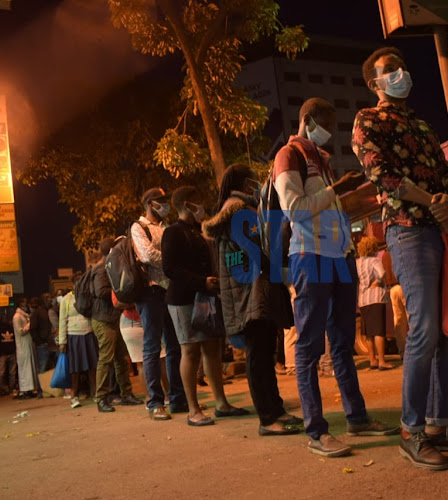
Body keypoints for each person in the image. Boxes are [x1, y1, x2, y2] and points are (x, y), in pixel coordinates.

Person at [353, 47, 448, 470]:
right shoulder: (368, 120)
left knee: (447, 329)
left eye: (402, 66)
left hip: (441, 229)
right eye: (389, 70)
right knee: (425, 327)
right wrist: (433, 201)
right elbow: (382, 176)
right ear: (374, 83)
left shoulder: (421, 125)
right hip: (407, 229)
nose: (400, 73)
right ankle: (411, 430)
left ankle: (438, 424)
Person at [276, 97, 398, 458]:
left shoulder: (322, 162)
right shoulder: (289, 155)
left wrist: (349, 196)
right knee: (309, 348)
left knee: (343, 342)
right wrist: (336, 190)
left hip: (340, 258)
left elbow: (330, 207)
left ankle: (356, 417)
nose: (331, 128)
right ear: (308, 119)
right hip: (310, 256)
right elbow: (295, 210)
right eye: (327, 120)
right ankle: (316, 430)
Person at [203, 163, 303, 436]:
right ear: (242, 183)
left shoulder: (244, 210)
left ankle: (276, 409)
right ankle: (267, 418)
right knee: (258, 356)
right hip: (250, 293)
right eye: (252, 180)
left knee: (264, 354)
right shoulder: (238, 212)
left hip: (253, 290)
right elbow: (263, 247)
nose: (257, 183)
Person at [162, 186, 247, 426]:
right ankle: (193, 409)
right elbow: (169, 269)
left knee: (212, 349)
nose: (203, 206)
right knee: (190, 351)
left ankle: (221, 404)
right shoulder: (173, 232)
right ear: (188, 204)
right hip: (182, 300)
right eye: (198, 201)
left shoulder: (200, 231)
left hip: (205, 297)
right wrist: (201, 281)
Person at [132, 187, 186, 421]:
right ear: (149, 204)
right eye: (160, 202)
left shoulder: (166, 228)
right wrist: (172, 258)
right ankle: (155, 402)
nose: (164, 205)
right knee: (152, 347)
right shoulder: (138, 227)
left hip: (170, 291)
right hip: (151, 293)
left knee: (175, 347)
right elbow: (146, 255)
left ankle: (178, 399)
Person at [91, 238, 143, 412]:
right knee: (106, 359)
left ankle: (126, 394)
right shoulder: (100, 269)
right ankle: (101, 398)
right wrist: (120, 290)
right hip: (103, 319)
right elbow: (101, 291)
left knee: (122, 359)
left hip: (114, 318)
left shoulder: (109, 266)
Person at [59, 273, 99, 409]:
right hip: (73, 336)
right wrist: (62, 342)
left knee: (92, 367)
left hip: (89, 333)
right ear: (74, 284)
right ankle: (74, 395)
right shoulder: (66, 300)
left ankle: (96, 393)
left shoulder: (89, 296)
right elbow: (62, 320)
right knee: (75, 369)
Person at [355, 236, 392, 370]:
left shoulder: (357, 263)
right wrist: (376, 282)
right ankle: (382, 361)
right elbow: (382, 274)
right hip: (376, 298)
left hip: (363, 300)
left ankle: (372, 360)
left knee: (368, 332)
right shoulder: (374, 261)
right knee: (379, 331)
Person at [13, 297, 41, 399]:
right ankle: (25, 389)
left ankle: (30, 388)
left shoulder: (24, 316)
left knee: (30, 367)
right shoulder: (17, 317)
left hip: (28, 345)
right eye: (24, 303)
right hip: (22, 345)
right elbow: (20, 331)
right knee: (24, 368)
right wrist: (29, 325)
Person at [0, 315, 17, 397]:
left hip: (8, 353)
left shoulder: (0, 329)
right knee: (5, 372)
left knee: (7, 372)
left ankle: (8, 389)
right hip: (5, 354)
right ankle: (2, 389)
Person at [29, 296, 53, 373]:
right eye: (49, 299)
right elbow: (33, 329)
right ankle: (41, 385)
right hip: (42, 344)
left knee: (48, 367)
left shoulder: (46, 311)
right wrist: (39, 342)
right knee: (43, 367)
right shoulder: (38, 313)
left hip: (48, 343)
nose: (51, 301)